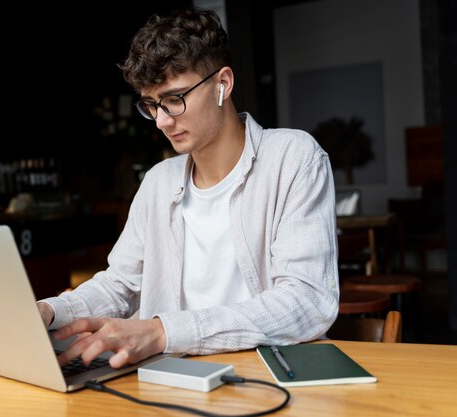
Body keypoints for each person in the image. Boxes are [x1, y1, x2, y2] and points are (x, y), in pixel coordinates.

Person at [38, 7, 339, 369]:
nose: (163, 121)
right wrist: (50, 310)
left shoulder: (293, 158)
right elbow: (121, 284)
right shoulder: (158, 181)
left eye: (174, 99)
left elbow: (306, 302)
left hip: (270, 374)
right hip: (172, 378)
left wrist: (162, 332)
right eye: (151, 105)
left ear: (222, 84)